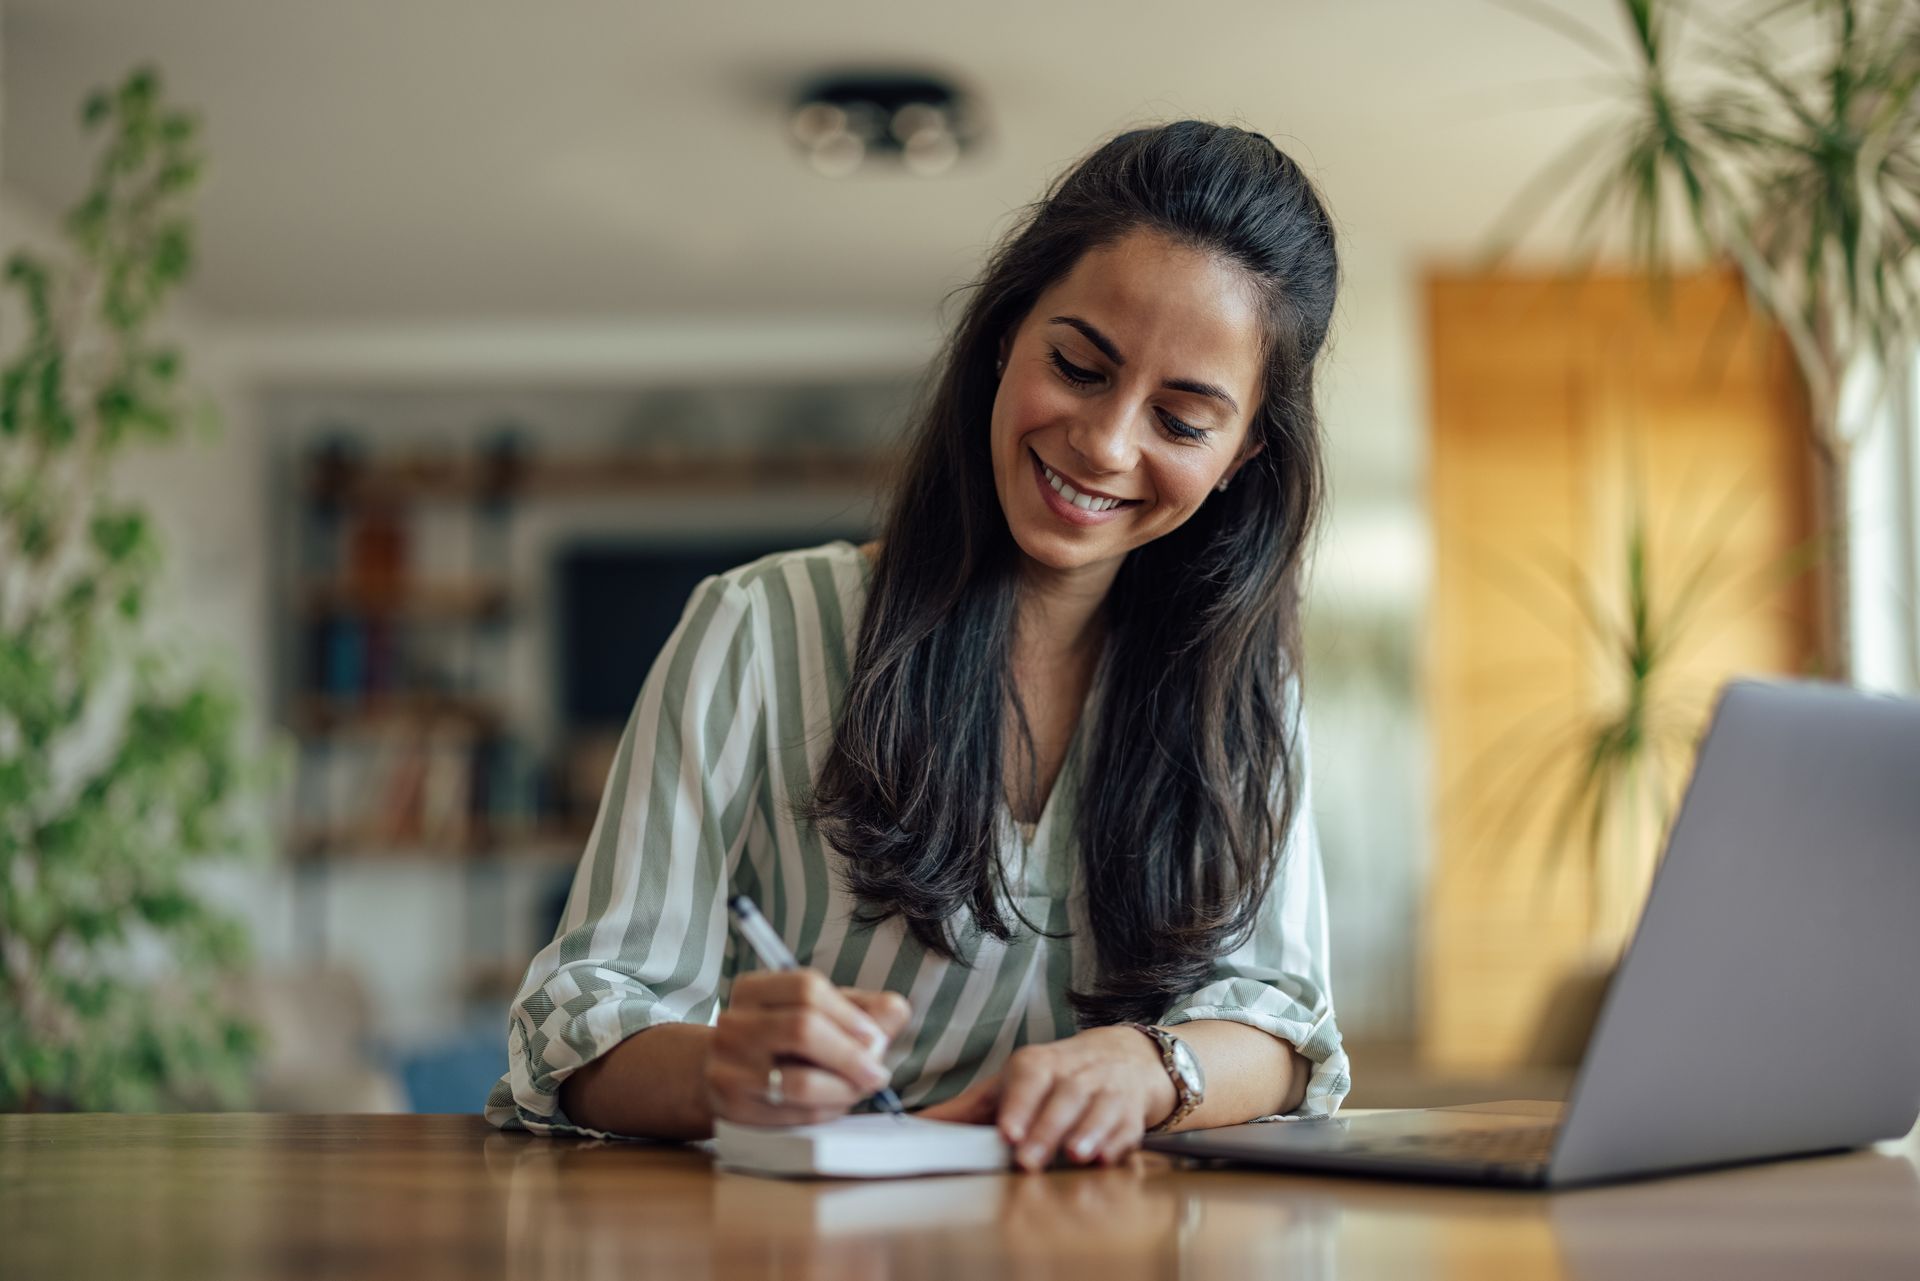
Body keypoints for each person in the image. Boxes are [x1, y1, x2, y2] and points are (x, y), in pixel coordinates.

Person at [486, 119, 1351, 1170]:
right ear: (1004, 337)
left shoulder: (1242, 695)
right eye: (1079, 366)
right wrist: (723, 1069)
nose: (1107, 443)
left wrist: (1150, 1066)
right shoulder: (756, 629)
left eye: (1181, 421)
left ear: (1242, 455)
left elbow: (1287, 1026)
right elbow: (573, 1022)